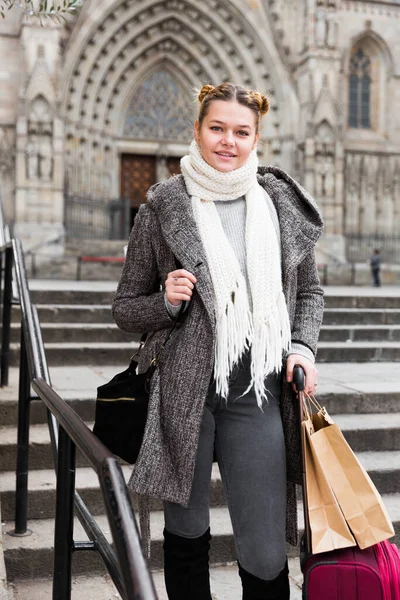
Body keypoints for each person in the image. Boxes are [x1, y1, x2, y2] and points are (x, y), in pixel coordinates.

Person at [112, 82, 324, 600]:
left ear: (255, 138)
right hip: (185, 393)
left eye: (241, 132)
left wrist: (302, 346)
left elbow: (310, 291)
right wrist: (164, 302)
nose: (228, 141)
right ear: (198, 130)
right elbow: (124, 308)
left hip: (257, 388)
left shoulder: (280, 206)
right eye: (217, 128)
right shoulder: (162, 208)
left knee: (267, 546)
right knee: (186, 531)